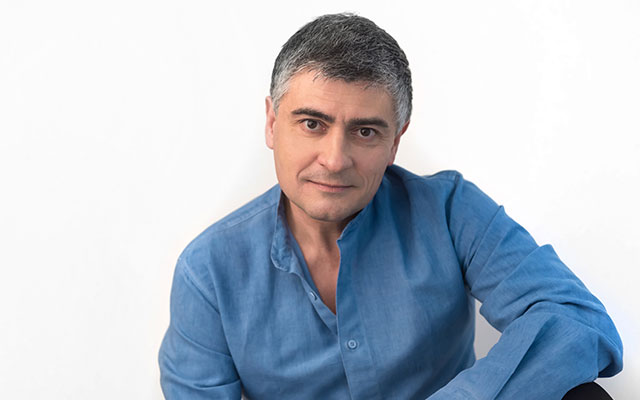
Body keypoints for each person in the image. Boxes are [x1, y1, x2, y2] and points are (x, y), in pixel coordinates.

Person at [158, 13, 623, 399]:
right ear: (272, 123)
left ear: (395, 142)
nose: (335, 160)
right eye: (312, 124)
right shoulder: (208, 270)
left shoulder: (450, 210)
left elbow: (576, 319)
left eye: (365, 132)